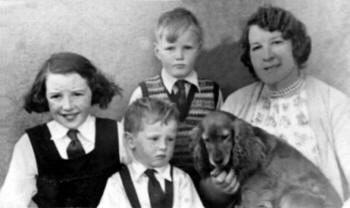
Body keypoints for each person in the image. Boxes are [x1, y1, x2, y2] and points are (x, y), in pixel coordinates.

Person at [221, 5, 350, 207]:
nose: (267, 55)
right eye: (257, 47)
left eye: (277, 42)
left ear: (296, 46)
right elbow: (214, 190)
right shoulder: (235, 104)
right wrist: (220, 186)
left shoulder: (333, 103)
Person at [128, 8, 239, 205]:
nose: (179, 56)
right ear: (158, 51)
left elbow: (222, 136)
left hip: (204, 186)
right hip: (159, 185)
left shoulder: (212, 92)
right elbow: (130, 145)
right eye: (170, 48)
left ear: (199, 48)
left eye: (187, 48)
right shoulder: (143, 92)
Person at [0, 52, 124, 208]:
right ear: (44, 96)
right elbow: (11, 201)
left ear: (93, 90)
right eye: (56, 96)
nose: (67, 106)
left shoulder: (116, 134)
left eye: (77, 94)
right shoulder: (29, 145)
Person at [98, 97, 204, 208]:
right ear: (131, 141)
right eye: (154, 139)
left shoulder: (181, 180)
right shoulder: (117, 184)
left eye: (170, 139)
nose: (163, 146)